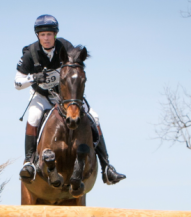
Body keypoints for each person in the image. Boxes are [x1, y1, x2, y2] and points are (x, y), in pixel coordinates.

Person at [15, 14, 126, 185]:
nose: (46, 38)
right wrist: (34, 78)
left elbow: (77, 70)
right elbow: (17, 82)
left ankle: (106, 168)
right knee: (34, 117)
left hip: (67, 98)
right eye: (43, 35)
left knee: (94, 117)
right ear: (38, 36)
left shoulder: (66, 47)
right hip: (42, 96)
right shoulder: (30, 52)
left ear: (55, 35)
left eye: (49, 34)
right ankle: (29, 162)